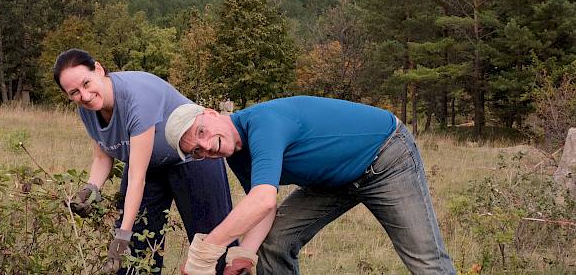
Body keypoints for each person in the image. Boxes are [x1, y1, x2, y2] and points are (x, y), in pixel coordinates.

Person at [164, 96, 456, 275]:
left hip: (386, 157)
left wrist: (206, 250)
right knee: (274, 243)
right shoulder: (236, 156)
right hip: (333, 181)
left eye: (200, 132)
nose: (205, 147)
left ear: (212, 113)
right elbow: (263, 209)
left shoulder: (264, 122)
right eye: (196, 152)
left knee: (425, 259)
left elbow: (263, 199)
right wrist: (243, 255)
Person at [53, 49, 235, 274]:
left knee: (212, 247)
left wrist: (122, 237)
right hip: (151, 165)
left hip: (194, 156)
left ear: (98, 70)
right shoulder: (88, 111)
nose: (85, 95)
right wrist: (91, 189)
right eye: (75, 92)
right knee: (135, 256)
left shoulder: (135, 96)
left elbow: (136, 178)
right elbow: (102, 156)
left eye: (87, 83)